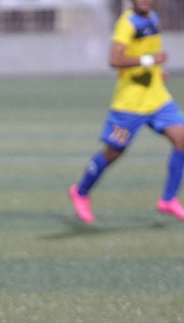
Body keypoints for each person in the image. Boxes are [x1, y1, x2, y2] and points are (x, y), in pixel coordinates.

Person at [69, 0, 184, 224]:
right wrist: (151, 60)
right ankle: (81, 192)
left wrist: (157, 71)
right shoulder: (127, 24)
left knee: (182, 140)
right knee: (113, 152)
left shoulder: (153, 19)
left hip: (158, 99)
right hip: (130, 105)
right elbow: (115, 59)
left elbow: (147, 53)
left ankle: (168, 199)